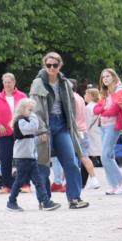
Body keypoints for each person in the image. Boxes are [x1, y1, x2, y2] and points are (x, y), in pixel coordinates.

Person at [28, 52, 89, 209]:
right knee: (43, 164)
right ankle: (44, 200)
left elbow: (70, 108)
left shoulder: (65, 83)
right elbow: (35, 109)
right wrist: (40, 130)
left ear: (60, 65)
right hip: (45, 126)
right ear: (44, 65)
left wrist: (72, 127)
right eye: (48, 65)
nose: (52, 68)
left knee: (71, 162)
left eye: (55, 65)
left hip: (62, 125)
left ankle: (74, 198)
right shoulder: (37, 83)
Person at [6, 99, 61, 212]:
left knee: (38, 181)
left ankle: (45, 202)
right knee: (20, 181)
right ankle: (11, 202)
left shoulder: (25, 121)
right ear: (22, 109)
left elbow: (29, 139)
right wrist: (34, 116)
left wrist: (38, 139)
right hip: (22, 157)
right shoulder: (20, 121)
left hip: (30, 157)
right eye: (30, 110)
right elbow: (32, 128)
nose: (32, 113)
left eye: (33, 110)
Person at [0, 73, 26, 194]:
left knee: (23, 158)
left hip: (20, 132)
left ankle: (25, 183)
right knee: (5, 159)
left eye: (9, 82)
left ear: (14, 82)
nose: (7, 84)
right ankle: (6, 185)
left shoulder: (22, 96)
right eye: (5, 82)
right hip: (4, 134)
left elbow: (29, 112)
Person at [95, 68, 122, 193]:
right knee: (109, 155)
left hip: (113, 125)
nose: (105, 78)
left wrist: (102, 110)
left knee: (105, 156)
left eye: (108, 76)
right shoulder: (105, 92)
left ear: (114, 77)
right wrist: (103, 109)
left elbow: (113, 110)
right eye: (103, 77)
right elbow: (95, 109)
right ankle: (113, 185)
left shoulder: (120, 90)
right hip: (103, 125)